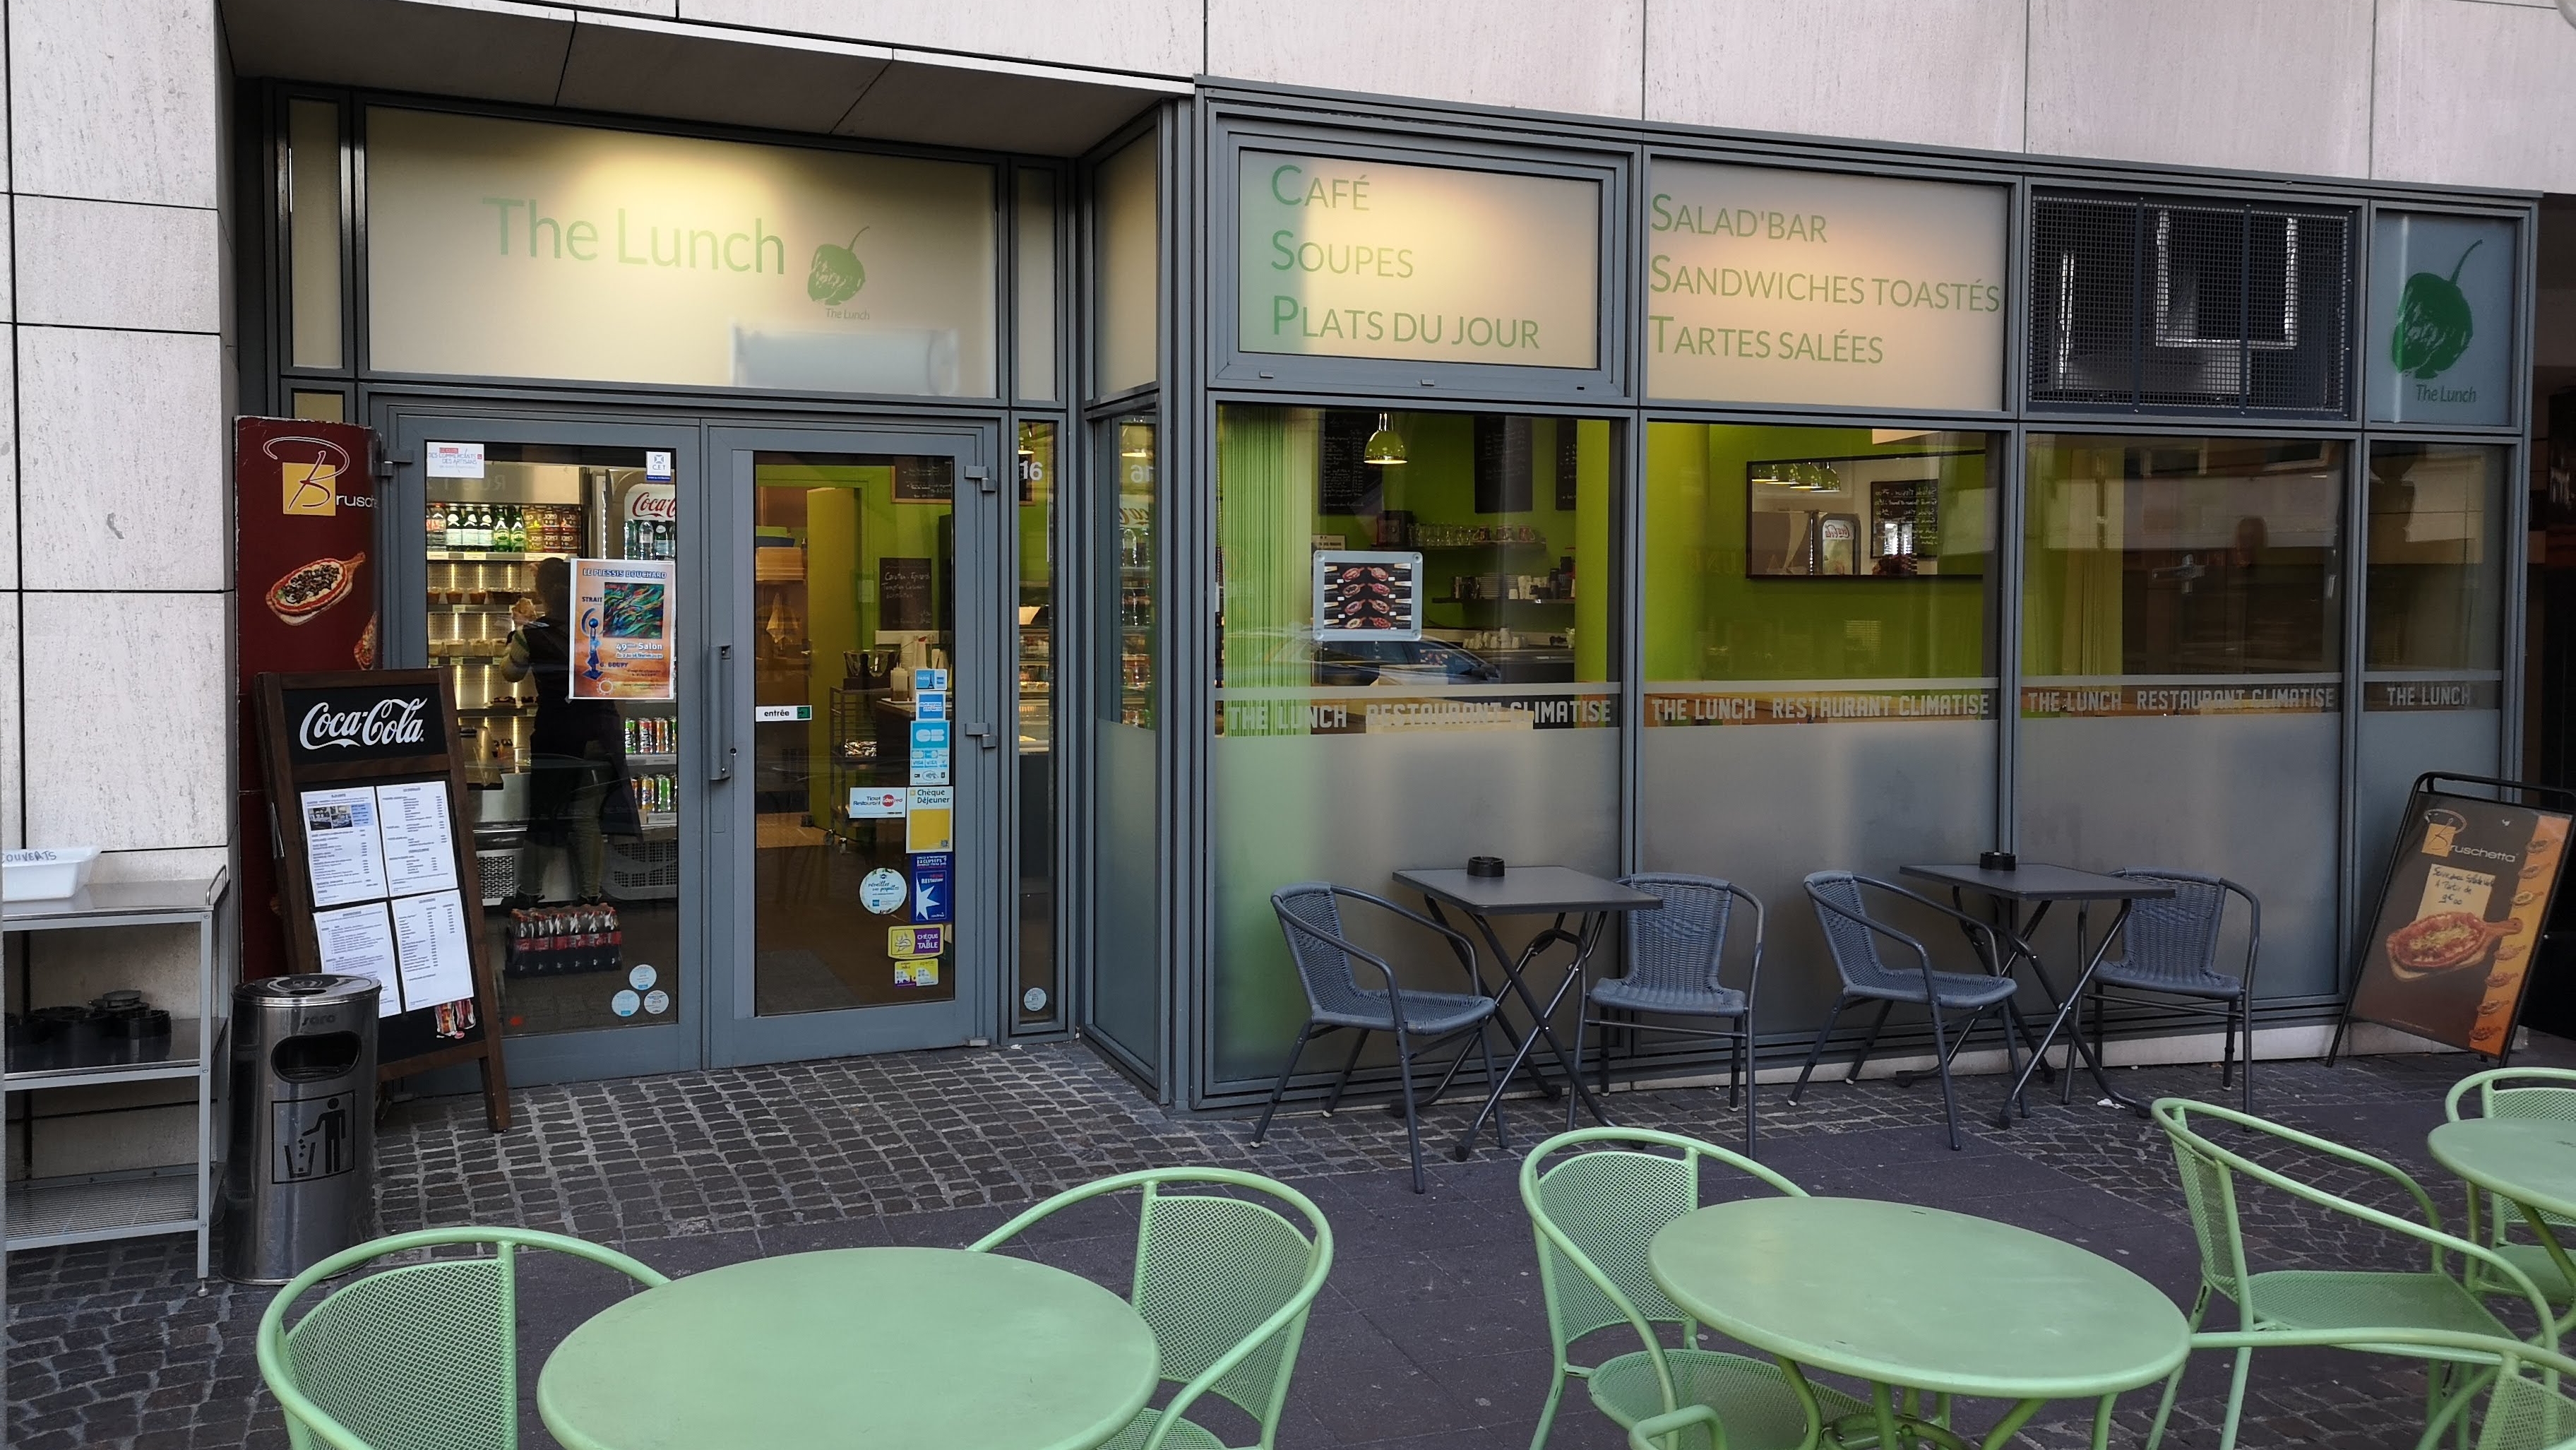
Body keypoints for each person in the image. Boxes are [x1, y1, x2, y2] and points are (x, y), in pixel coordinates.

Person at [502, 557, 633, 903]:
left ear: (541, 593)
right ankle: (591, 897)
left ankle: (529, 894)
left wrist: (519, 628)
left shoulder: (531, 634)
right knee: (587, 818)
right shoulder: (601, 628)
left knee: (546, 813)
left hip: (559, 734)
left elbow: (511, 673)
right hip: (601, 732)